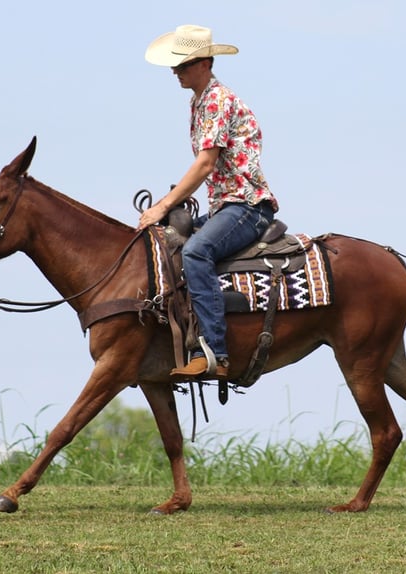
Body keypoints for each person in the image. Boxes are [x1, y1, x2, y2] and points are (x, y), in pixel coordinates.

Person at [138, 24, 279, 380]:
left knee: (196, 252)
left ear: (204, 63)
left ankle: (216, 353)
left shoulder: (217, 100)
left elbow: (205, 164)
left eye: (183, 65)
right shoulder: (199, 101)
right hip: (227, 207)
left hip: (246, 207)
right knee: (170, 244)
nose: (175, 72)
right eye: (175, 65)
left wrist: (161, 206)